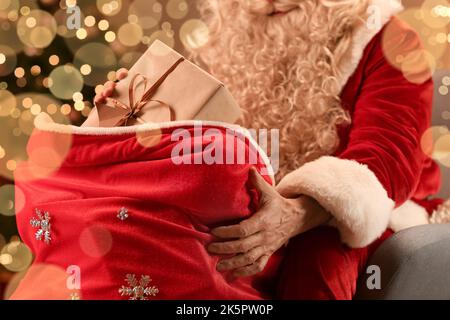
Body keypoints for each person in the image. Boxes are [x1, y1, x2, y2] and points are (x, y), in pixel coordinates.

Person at [94, 0, 445, 299]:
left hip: (355, 215)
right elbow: (188, 140)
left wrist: (297, 212)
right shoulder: (229, 32)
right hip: (243, 204)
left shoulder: (389, 36)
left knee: (318, 256)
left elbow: (386, 162)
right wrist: (134, 110)